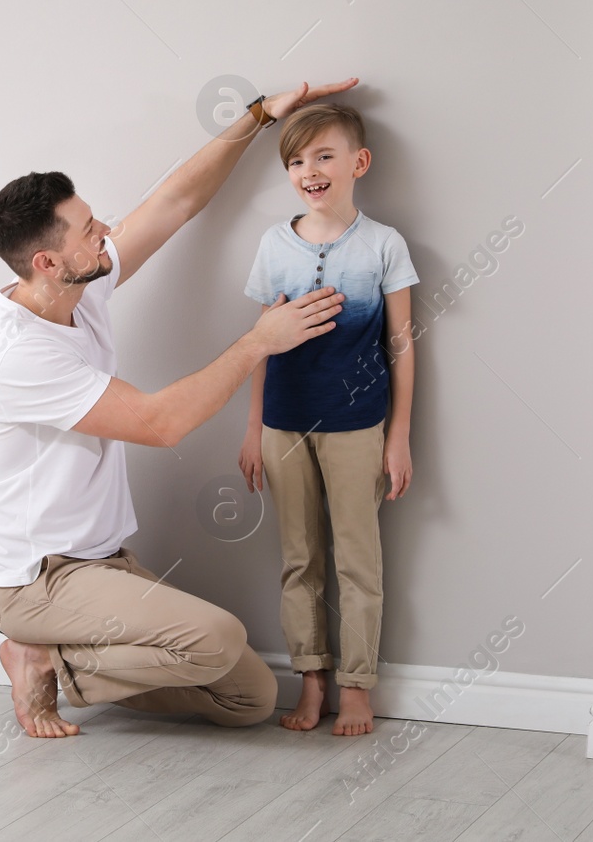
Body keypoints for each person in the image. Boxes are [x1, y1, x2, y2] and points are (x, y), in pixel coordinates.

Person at [0, 79, 359, 738]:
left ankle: (63, 659)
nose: (106, 232)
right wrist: (259, 341)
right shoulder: (21, 355)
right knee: (218, 637)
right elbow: (161, 423)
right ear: (46, 260)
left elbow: (176, 201)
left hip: (105, 562)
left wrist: (262, 115)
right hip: (42, 580)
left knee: (250, 696)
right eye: (90, 229)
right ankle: (36, 653)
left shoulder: (75, 287)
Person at [237, 102, 419, 737]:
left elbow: (401, 345)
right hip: (285, 425)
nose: (308, 170)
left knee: (357, 561)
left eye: (323, 156)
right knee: (299, 559)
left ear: (357, 163)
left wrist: (397, 436)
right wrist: (254, 427)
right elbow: (259, 342)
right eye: (295, 160)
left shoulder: (383, 244)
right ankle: (311, 679)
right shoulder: (272, 245)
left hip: (358, 426)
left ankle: (358, 685)